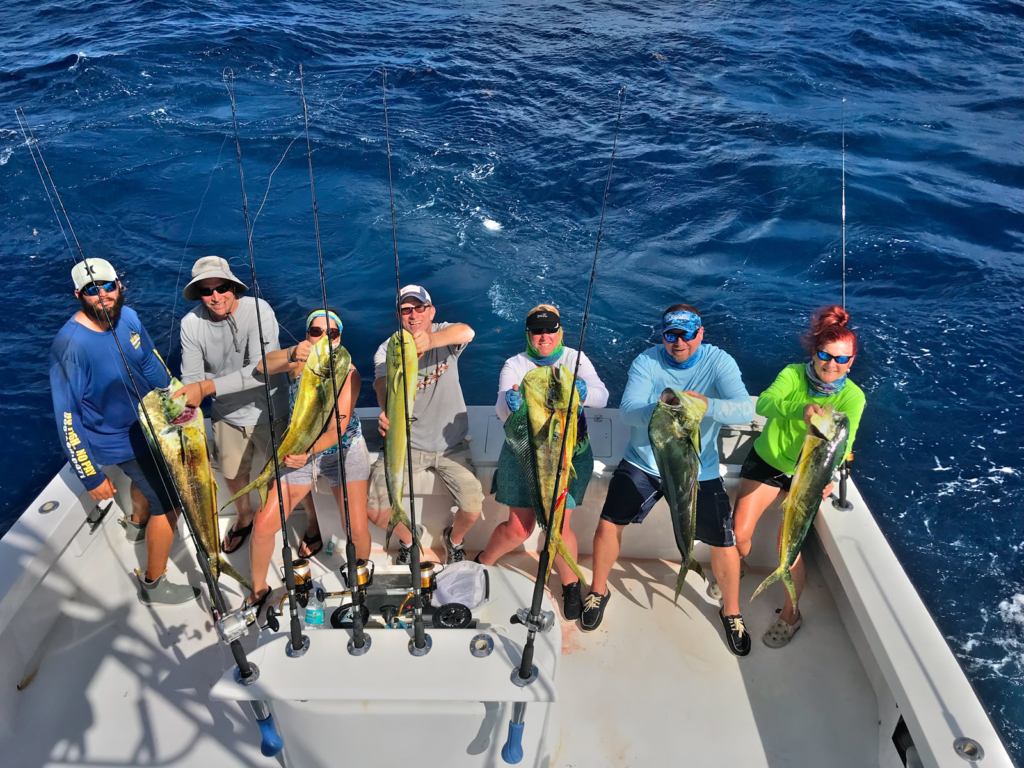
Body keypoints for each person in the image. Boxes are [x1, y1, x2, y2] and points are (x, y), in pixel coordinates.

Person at [582, 304, 755, 657]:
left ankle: (732, 612)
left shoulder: (718, 361)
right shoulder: (647, 362)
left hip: (697, 468)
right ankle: (599, 591)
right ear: (662, 335)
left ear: (700, 333)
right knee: (608, 524)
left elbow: (745, 409)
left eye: (687, 334)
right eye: (671, 335)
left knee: (724, 542)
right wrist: (663, 407)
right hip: (645, 462)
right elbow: (629, 410)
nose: (679, 342)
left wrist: (709, 405)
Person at [49, 258, 200, 605]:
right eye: (91, 289)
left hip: (146, 427)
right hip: (115, 442)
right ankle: (153, 583)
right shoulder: (71, 346)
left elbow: (148, 361)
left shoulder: (128, 317)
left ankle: (136, 524)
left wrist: (177, 399)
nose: (102, 295)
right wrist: (89, 475)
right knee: (170, 502)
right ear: (78, 294)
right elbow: (66, 418)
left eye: (107, 285)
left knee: (145, 480)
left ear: (120, 285)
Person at [731, 305, 865, 649]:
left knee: (786, 553)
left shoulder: (853, 397)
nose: (831, 364)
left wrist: (828, 477)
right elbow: (765, 404)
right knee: (737, 536)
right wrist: (799, 410)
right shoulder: (793, 374)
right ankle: (740, 568)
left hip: (807, 477)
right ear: (814, 353)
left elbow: (842, 442)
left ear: (851, 362)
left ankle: (792, 614)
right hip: (768, 462)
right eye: (825, 355)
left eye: (841, 359)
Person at [477, 305, 609, 619]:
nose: (545, 337)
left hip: (569, 456)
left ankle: (571, 583)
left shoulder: (575, 360)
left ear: (560, 331)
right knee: (519, 529)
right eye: (538, 331)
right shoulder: (515, 364)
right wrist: (509, 403)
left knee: (559, 527)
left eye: (551, 329)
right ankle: (482, 564)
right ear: (528, 334)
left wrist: (583, 391)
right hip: (525, 454)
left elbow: (602, 396)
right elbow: (500, 407)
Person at [243, 309, 370, 611]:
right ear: (307, 335)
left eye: (333, 333)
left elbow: (338, 426)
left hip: (342, 449)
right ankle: (258, 590)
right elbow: (262, 366)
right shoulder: (300, 362)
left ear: (341, 338)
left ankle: (360, 582)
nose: (325, 338)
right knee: (262, 526)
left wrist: (308, 452)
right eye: (316, 332)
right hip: (300, 450)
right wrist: (291, 352)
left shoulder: (349, 372)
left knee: (354, 525)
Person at [173, 256, 290, 557]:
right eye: (206, 291)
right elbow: (192, 378)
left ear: (233, 288)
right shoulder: (190, 323)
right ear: (199, 295)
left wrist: (208, 386)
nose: (216, 296)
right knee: (232, 472)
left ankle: (271, 520)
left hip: (269, 412)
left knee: (278, 473)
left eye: (222, 287)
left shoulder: (258, 310)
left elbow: (260, 370)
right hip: (226, 415)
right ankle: (245, 516)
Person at [368, 285, 483, 564]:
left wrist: (430, 342)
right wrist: (386, 411)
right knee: (375, 510)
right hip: (407, 445)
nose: (413, 315)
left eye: (419, 308)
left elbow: (467, 331)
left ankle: (453, 540)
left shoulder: (444, 333)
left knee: (473, 508)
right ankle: (410, 539)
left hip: (451, 445)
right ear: (399, 315)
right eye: (406, 310)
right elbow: (382, 383)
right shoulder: (389, 349)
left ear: (430, 311)